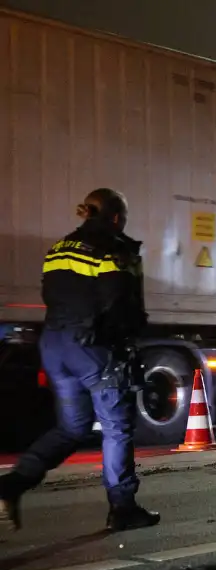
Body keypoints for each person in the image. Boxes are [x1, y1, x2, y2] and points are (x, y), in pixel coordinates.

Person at [0, 188, 159, 532]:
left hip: (56, 345)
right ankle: (123, 508)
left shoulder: (58, 248)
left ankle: (12, 485)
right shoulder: (113, 250)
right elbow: (119, 304)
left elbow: (50, 293)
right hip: (92, 350)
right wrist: (127, 338)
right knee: (117, 428)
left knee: (72, 427)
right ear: (116, 217)